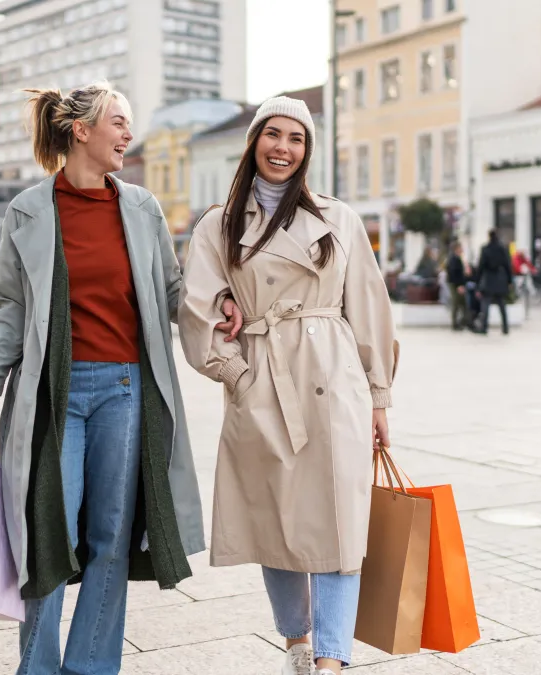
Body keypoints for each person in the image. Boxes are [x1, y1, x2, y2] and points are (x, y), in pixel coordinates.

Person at [0, 82, 243, 675]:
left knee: (111, 537)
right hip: (53, 396)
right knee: (48, 532)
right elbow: (10, 306)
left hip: (124, 390)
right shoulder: (29, 210)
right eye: (118, 123)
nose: (127, 135)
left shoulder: (141, 208)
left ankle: (89, 667)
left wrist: (218, 304)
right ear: (81, 131)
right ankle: (37, 668)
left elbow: (172, 292)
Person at [179, 96, 397, 675]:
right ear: (253, 142)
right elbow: (197, 309)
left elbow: (369, 305)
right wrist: (236, 374)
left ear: (308, 150)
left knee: (339, 519)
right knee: (275, 518)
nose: (283, 148)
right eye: (272, 135)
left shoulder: (338, 217)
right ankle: (297, 643)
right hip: (262, 379)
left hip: (333, 375)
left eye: (296, 139)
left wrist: (378, 396)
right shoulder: (219, 224)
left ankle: (332, 658)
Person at [475, 230, 513, 335]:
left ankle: (484, 327)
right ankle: (505, 327)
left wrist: (477, 282)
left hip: (488, 279)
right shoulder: (503, 249)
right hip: (500, 279)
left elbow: (481, 267)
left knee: (485, 305)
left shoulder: (485, 249)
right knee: (502, 305)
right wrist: (509, 280)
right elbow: (508, 266)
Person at [446, 242, 469, 330]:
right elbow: (455, 274)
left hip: (458, 284)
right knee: (456, 303)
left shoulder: (458, 258)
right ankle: (455, 324)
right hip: (456, 285)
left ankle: (462, 322)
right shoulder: (454, 259)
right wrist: (459, 285)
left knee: (462, 304)